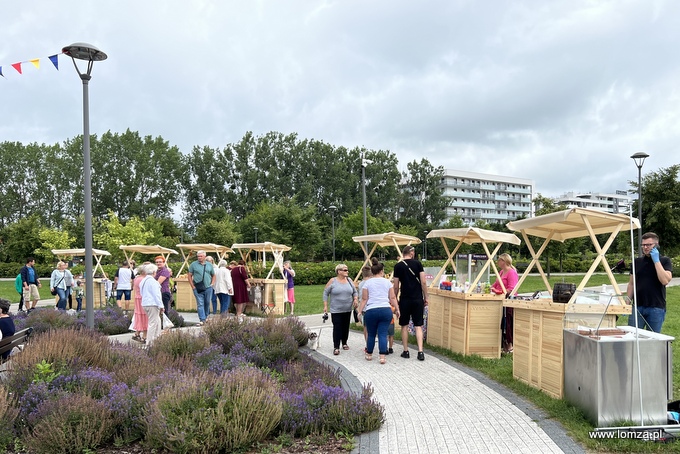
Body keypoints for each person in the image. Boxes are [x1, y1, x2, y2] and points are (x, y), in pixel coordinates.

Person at [627, 232, 673, 333]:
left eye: (649, 245)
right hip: (638, 306)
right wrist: (627, 301)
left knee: (653, 339)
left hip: (656, 307)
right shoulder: (637, 262)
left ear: (656, 245)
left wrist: (656, 261)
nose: (645, 247)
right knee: (632, 336)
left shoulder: (665, 261)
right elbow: (631, 283)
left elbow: (665, 280)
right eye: (643, 245)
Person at [359, 258, 400, 364]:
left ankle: (369, 354)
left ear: (372, 272)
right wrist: (397, 309)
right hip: (385, 310)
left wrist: (359, 311)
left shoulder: (367, 283)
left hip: (371, 310)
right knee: (382, 333)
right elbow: (392, 298)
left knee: (371, 333)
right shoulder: (387, 283)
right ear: (381, 271)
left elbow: (364, 299)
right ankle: (382, 356)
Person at [393, 245, 429, 361]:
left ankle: (406, 351)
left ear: (403, 254)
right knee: (418, 325)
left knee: (404, 325)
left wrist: (395, 299)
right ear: (412, 253)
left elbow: (396, 286)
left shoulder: (398, 266)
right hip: (417, 298)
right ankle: (420, 352)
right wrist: (426, 297)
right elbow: (423, 282)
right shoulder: (418, 264)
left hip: (405, 299)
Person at [322, 263, 358, 356]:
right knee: (337, 327)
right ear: (339, 271)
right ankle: (336, 347)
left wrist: (355, 299)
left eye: (347, 270)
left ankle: (344, 343)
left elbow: (355, 292)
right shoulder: (333, 281)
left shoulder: (349, 280)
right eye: (345, 270)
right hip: (336, 309)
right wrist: (325, 305)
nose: (347, 271)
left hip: (347, 308)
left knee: (346, 327)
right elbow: (325, 293)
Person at [490, 253, 519, 353]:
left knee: (508, 322)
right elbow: (496, 283)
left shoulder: (511, 272)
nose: (498, 262)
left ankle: (510, 345)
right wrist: (491, 288)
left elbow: (512, 288)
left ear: (504, 261)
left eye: (499, 260)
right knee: (502, 322)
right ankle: (504, 345)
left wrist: (502, 292)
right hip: (499, 299)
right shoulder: (501, 272)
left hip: (508, 300)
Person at [188, 250, 215, 326]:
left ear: (205, 257)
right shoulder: (193, 264)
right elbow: (189, 275)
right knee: (200, 303)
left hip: (208, 287)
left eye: (201, 256)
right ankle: (202, 319)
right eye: (198, 256)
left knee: (207, 302)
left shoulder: (209, 265)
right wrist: (192, 286)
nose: (199, 258)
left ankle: (206, 317)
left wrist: (212, 284)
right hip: (197, 287)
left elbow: (213, 275)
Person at [140, 263, 164, 346]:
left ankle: (157, 338)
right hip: (152, 304)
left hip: (145, 303)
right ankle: (149, 342)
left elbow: (141, 292)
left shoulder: (143, 280)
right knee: (153, 323)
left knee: (157, 320)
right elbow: (157, 295)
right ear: (154, 272)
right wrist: (161, 305)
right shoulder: (153, 282)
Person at [131, 264, 149, 344]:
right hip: (143, 299)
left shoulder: (137, 278)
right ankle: (144, 336)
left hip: (137, 298)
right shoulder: (144, 279)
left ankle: (137, 333)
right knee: (145, 316)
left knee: (139, 316)